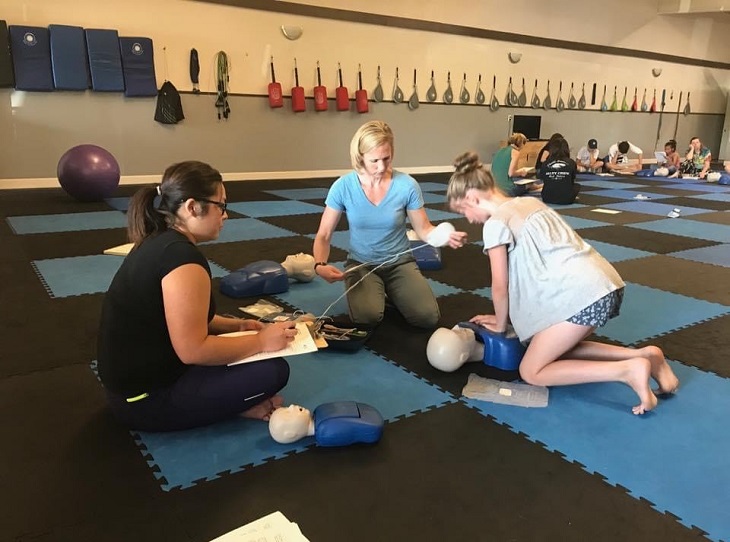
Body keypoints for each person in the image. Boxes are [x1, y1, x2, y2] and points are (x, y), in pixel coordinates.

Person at [445, 151, 679, 415]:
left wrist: (500, 324)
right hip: (605, 284)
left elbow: (500, 285)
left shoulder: (495, 225)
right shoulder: (529, 203)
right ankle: (647, 357)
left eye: (463, 210)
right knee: (553, 350)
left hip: (582, 296)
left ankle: (626, 371)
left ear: (472, 197)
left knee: (532, 370)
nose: (467, 218)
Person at [97, 161, 296, 432]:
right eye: (221, 205)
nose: (225, 215)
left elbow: (182, 318)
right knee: (273, 371)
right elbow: (193, 350)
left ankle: (227, 401)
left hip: (132, 388)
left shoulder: (159, 240)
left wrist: (238, 326)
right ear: (192, 207)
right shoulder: (182, 260)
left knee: (243, 353)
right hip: (144, 403)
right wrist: (260, 340)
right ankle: (234, 407)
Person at [313, 121, 467, 328]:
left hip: (400, 262)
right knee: (367, 318)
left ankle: (395, 292)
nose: (382, 167)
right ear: (360, 157)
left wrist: (444, 236)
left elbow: (424, 229)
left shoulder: (407, 185)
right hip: (362, 264)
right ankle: (377, 292)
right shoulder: (342, 187)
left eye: (387, 158)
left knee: (427, 318)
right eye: (374, 160)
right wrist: (319, 265)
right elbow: (324, 234)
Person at [491, 132, 540, 197]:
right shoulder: (515, 152)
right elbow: (511, 173)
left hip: (495, 188)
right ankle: (541, 186)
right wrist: (521, 172)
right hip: (507, 190)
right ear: (521, 143)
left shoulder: (500, 151)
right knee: (529, 185)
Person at [538, 137, 580, 204]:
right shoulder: (571, 162)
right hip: (566, 199)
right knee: (577, 186)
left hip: (547, 197)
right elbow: (572, 179)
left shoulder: (545, 163)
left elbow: (542, 178)